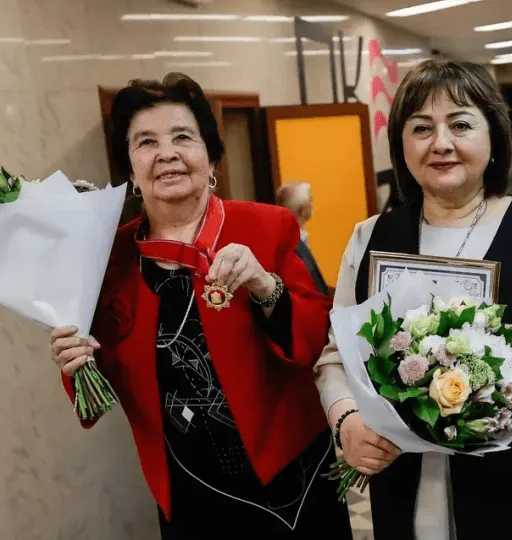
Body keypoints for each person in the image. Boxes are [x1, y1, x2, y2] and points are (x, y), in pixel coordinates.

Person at [48, 73, 351, 539]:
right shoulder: (108, 260)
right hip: (190, 494)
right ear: (130, 169)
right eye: (146, 141)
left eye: (182, 137)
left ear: (209, 157)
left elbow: (318, 339)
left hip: (293, 480)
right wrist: (75, 364)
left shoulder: (266, 227)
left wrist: (267, 288)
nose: (166, 152)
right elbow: (97, 385)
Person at [314, 59, 512, 540]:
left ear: (494, 136)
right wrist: (347, 422)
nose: (440, 143)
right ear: (402, 143)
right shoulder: (371, 237)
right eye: (421, 128)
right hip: (405, 480)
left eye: (460, 124)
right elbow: (337, 355)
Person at [276, 181, 330, 296]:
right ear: (302, 209)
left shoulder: (296, 238)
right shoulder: (291, 244)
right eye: (310, 200)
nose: (312, 203)